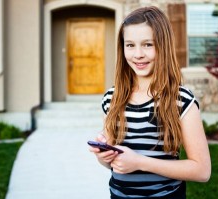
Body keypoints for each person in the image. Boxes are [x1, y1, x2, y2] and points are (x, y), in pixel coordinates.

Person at [89, 6, 211, 199]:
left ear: (163, 46)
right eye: (130, 45)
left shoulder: (181, 100)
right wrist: (103, 156)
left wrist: (140, 162)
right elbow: (114, 164)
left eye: (147, 44)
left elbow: (202, 170)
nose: (138, 54)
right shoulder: (111, 99)